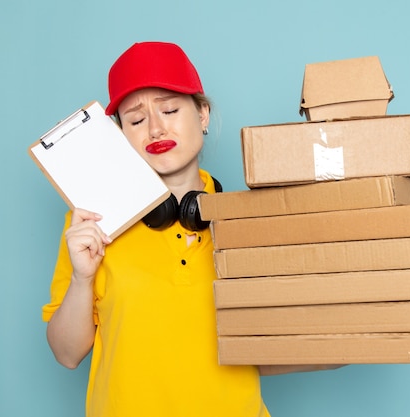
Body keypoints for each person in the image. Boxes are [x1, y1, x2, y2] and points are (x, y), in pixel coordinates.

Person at [41, 41, 272, 417]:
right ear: (120, 136)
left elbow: (286, 345)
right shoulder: (89, 223)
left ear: (203, 114)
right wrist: (83, 279)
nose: (155, 127)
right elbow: (66, 355)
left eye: (169, 108)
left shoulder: (252, 220)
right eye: (135, 119)